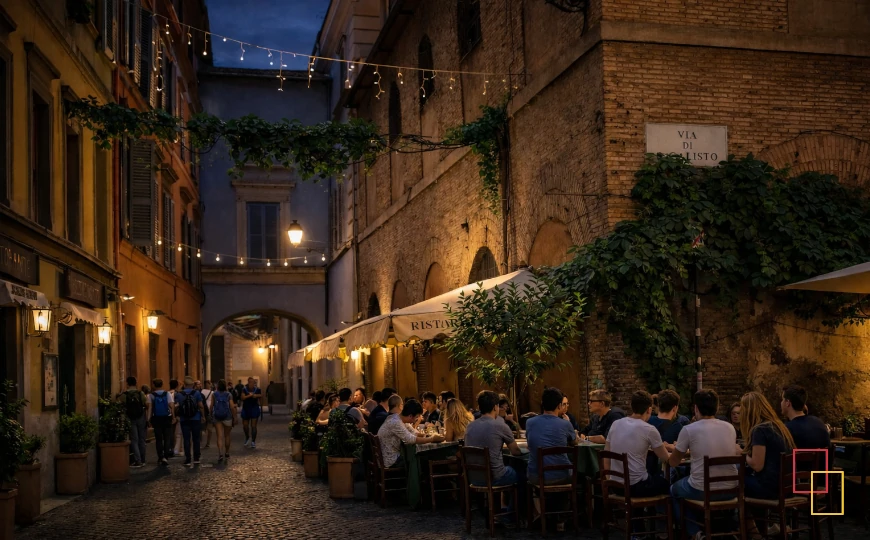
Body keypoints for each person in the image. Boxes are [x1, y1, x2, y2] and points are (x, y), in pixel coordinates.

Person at [668, 389, 742, 540]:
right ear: (717, 407)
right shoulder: (729, 428)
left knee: (673, 490)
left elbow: (674, 461)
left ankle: (695, 532)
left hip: (702, 490)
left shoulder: (688, 429)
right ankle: (726, 527)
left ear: (696, 408)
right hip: (732, 489)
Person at [526, 387, 581, 532]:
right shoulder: (565, 424)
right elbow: (575, 442)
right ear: (559, 405)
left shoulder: (530, 422)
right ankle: (561, 519)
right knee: (575, 475)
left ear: (542, 404)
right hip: (562, 475)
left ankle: (541, 515)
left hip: (536, 475)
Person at [464, 390, 524, 522]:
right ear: (495, 407)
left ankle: (498, 511)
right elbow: (515, 451)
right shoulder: (500, 425)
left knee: (503, 467)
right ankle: (512, 515)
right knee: (522, 474)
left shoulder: (470, 426)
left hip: (474, 478)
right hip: (494, 477)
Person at [740, 391, 795, 500]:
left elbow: (757, 466)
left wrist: (741, 453)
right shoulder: (779, 426)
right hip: (789, 488)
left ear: (748, 411)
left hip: (772, 490)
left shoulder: (760, 430)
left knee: (734, 481)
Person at [376, 395, 443, 468]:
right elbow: (411, 439)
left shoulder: (399, 418)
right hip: (391, 461)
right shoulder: (395, 422)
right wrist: (432, 439)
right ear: (410, 416)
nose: (416, 420)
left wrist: (427, 435)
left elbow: (414, 433)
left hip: (391, 457)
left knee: (423, 456)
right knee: (425, 458)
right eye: (416, 417)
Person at [781, 384, 830, 450]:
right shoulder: (819, 423)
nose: (781, 403)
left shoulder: (787, 430)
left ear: (787, 403)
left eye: (782, 399)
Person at [174, 376, 205, 466]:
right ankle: (196, 458)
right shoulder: (197, 393)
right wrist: (203, 416)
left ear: (184, 384)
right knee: (196, 439)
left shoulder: (179, 394)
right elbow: (201, 406)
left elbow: (176, 406)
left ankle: (188, 459)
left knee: (186, 439)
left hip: (184, 419)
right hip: (196, 418)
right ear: (192, 384)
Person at [119, 376, 147, 468]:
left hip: (130, 418)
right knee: (142, 439)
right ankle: (143, 460)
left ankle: (138, 461)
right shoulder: (140, 393)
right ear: (136, 383)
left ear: (127, 383)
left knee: (134, 440)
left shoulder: (124, 395)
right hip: (141, 417)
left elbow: (120, 405)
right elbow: (145, 404)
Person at [148, 378, 174, 466]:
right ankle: (166, 457)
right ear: (162, 384)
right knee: (167, 438)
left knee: (158, 439)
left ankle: (160, 457)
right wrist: (173, 416)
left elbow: (150, 408)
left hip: (156, 418)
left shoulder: (151, 395)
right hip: (166, 418)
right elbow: (171, 405)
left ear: (154, 385)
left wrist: (148, 419)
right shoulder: (167, 394)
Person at [211, 379, 237, 462]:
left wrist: (211, 414)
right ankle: (227, 452)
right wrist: (235, 417)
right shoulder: (228, 394)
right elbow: (232, 407)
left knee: (219, 436)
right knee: (227, 435)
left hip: (217, 417)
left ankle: (220, 454)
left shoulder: (214, 394)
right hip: (227, 416)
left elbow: (211, 406)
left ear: (218, 386)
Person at [240, 377, 263, 448]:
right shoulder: (244, 389)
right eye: (250, 382)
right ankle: (247, 437)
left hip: (254, 408)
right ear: (248, 382)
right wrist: (249, 396)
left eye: (252, 382)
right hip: (246, 408)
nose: (251, 383)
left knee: (253, 426)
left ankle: (253, 441)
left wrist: (256, 396)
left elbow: (261, 396)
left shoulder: (257, 389)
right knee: (245, 426)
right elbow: (242, 397)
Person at [169, 379, 182, 457]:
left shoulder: (167, 393)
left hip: (167, 415)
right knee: (177, 434)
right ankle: (176, 449)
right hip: (176, 415)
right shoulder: (177, 394)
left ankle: (170, 448)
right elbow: (178, 404)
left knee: (170, 433)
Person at [200, 380, 214, 449]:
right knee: (209, 428)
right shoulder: (212, 392)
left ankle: (204, 442)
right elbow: (212, 403)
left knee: (203, 428)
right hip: (208, 411)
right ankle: (207, 443)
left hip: (204, 411)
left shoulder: (201, 391)